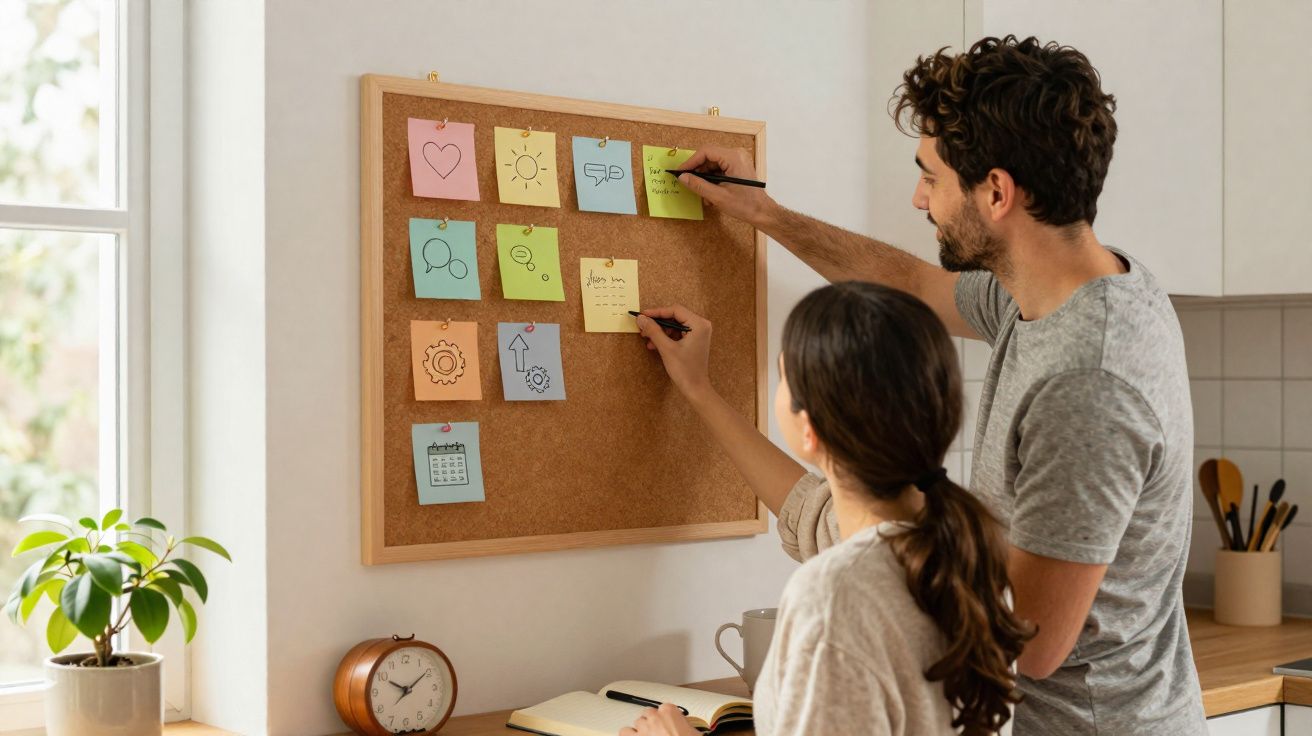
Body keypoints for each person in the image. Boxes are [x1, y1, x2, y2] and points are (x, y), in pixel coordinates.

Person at [639, 35, 1205, 735]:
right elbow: (912, 284)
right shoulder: (1050, 292)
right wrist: (767, 216)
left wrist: (864, 570)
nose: (918, 197)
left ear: (996, 192)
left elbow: (1032, 642)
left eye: (931, 177)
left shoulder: (1089, 381)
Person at [623, 282, 1032, 736]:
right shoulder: (967, 554)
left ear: (809, 427)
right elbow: (811, 512)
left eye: (781, 377)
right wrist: (698, 389)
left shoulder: (833, 595)